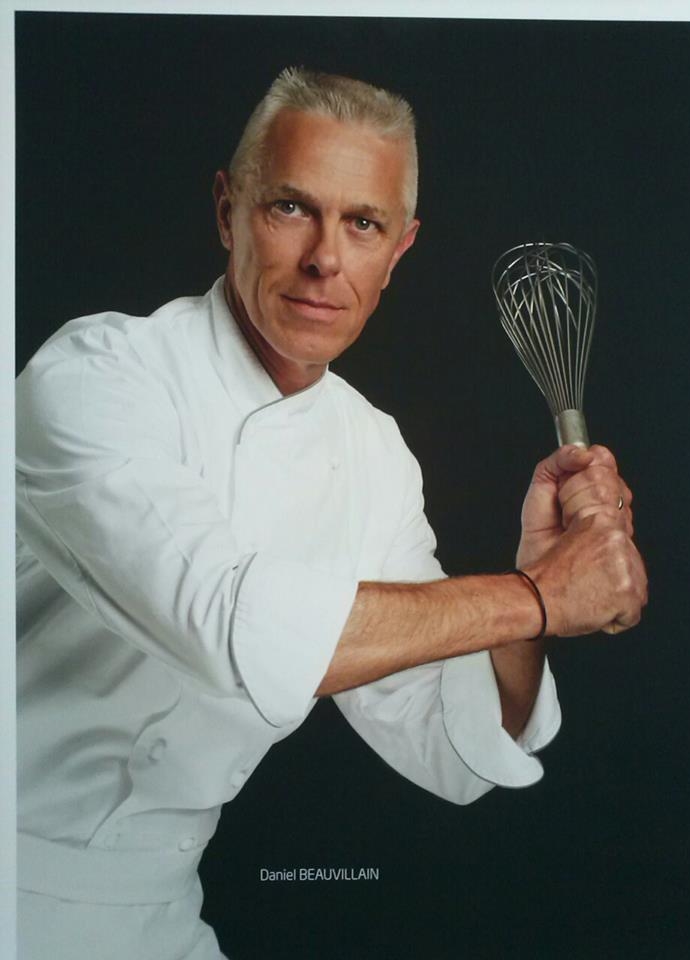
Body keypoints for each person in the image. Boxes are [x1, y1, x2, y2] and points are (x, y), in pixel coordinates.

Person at [15, 67, 647, 960]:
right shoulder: (95, 376)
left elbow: (448, 736)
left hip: (157, 913)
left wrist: (533, 579)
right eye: (291, 208)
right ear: (228, 210)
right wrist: (541, 595)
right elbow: (229, 626)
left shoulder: (374, 454)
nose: (325, 259)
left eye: (363, 224)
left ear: (400, 251)